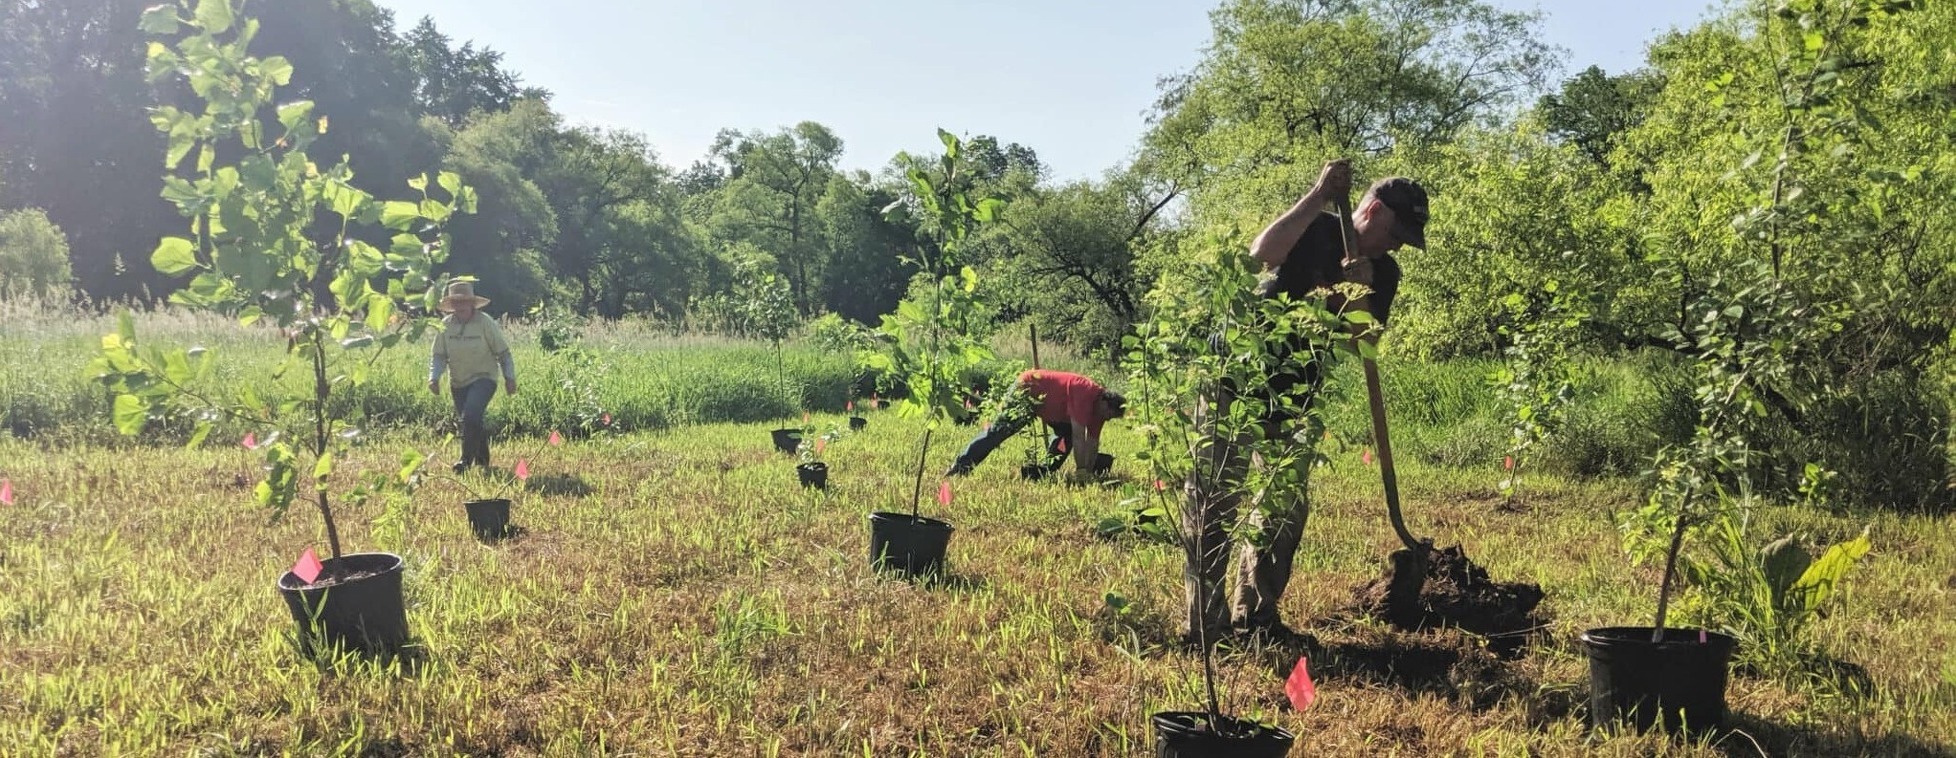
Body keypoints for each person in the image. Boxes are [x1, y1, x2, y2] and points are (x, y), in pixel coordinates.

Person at [1185, 159, 1430, 640]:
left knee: (1284, 508)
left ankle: (1256, 619)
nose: (1398, 244)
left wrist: (1353, 297)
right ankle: (1204, 628)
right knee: (1216, 502)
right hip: (1234, 380)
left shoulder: (1385, 272)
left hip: (1293, 399)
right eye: (1397, 232)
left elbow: (1363, 346)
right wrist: (1319, 193)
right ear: (1373, 210)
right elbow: (1261, 254)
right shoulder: (1314, 227)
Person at [946, 369, 1126, 478]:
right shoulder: (1085, 393)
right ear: (1105, 402)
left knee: (1065, 439)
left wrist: (1089, 469)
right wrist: (1080, 470)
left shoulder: (1099, 413)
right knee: (1000, 432)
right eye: (1109, 414)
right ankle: (960, 466)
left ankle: (1045, 470)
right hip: (1028, 389)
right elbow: (1081, 437)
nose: (1108, 419)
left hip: (1052, 410)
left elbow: (1092, 443)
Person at [428, 279, 517, 474]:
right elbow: (439, 355)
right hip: (458, 382)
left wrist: (509, 377)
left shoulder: (485, 322)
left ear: (471, 303)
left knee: (470, 416)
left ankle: (464, 461)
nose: (460, 306)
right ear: (451, 305)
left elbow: (503, 353)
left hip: (484, 378)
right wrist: (434, 378)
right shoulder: (445, 326)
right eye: (456, 302)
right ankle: (482, 461)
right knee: (472, 420)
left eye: (463, 301)